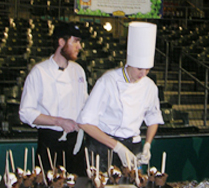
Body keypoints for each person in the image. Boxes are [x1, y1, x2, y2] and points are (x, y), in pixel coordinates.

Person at [77, 21, 164, 172]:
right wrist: (117, 147)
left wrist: (148, 144)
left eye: (147, 70)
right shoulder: (108, 81)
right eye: (139, 69)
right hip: (103, 145)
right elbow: (84, 123)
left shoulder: (149, 86)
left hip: (132, 145)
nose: (143, 74)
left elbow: (153, 118)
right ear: (129, 62)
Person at [19, 22, 88, 174]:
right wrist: (59, 121)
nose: (80, 46)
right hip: (50, 141)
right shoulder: (39, 72)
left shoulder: (79, 71)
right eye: (75, 41)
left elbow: (84, 103)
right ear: (61, 42)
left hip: (75, 141)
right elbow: (25, 113)